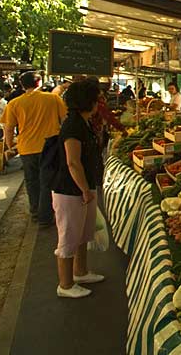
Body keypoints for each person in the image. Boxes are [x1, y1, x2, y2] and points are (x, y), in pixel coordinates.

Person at [52, 80, 104, 298]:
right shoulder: (73, 125)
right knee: (69, 236)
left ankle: (80, 272)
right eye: (97, 99)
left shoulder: (83, 122)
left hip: (84, 187)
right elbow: (73, 162)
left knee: (83, 232)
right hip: (70, 190)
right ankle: (65, 285)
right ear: (88, 101)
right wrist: (84, 190)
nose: (100, 103)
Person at [1, 71, 66, 227]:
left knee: (31, 181)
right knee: (47, 181)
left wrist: (10, 146)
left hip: (26, 147)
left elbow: (9, 128)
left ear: (22, 85)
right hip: (50, 146)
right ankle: (45, 216)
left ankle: (35, 211)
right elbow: (64, 120)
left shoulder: (14, 103)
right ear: (39, 83)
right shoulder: (53, 99)